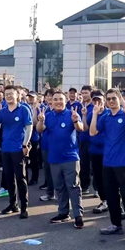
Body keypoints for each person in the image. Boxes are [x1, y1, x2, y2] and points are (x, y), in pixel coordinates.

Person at [90, 89, 125, 246]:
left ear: (120, 99)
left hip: (124, 164)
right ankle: (116, 224)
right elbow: (92, 132)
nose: (111, 101)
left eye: (114, 98)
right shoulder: (105, 117)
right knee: (111, 197)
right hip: (108, 163)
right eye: (109, 99)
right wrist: (94, 114)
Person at [36, 91, 85, 229]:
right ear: (51, 102)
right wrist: (41, 120)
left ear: (65, 101)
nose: (58, 102)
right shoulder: (48, 116)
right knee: (59, 187)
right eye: (55, 99)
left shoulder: (71, 114)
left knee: (73, 187)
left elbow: (80, 128)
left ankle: (78, 215)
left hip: (70, 157)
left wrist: (76, 120)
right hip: (54, 158)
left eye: (60, 99)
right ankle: (63, 213)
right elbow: (39, 130)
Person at [0, 85, 33, 218]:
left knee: (21, 178)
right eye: (7, 94)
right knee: (9, 178)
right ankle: (13, 204)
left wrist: (25, 144)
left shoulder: (24, 109)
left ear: (17, 95)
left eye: (11, 94)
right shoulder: (3, 111)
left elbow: (29, 127)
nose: (9, 96)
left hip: (18, 149)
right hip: (5, 148)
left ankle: (24, 207)